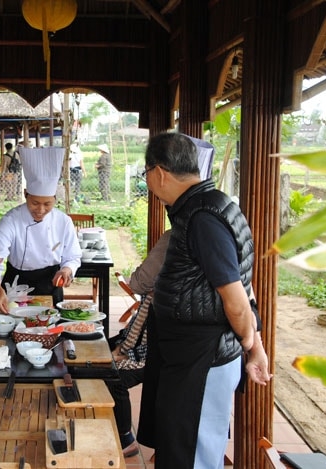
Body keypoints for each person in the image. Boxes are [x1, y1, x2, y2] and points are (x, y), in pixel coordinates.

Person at [136, 132, 270, 468]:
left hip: (203, 357)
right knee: (178, 446)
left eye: (146, 173)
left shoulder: (203, 218)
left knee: (193, 454)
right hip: (189, 355)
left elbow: (237, 299)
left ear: (160, 173)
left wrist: (253, 346)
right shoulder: (199, 207)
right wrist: (255, 346)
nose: (148, 180)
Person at [0, 146, 82, 311]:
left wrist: (67, 270)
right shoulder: (11, 220)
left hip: (50, 284)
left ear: (55, 198)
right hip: (14, 286)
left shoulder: (63, 221)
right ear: (26, 194)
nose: (40, 210)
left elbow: (73, 256)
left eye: (47, 204)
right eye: (34, 203)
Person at [107, 229, 170, 458]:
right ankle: (108, 424)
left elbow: (137, 282)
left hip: (157, 353)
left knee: (114, 377)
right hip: (147, 343)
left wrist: (126, 354)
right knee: (98, 349)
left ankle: (126, 439)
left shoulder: (174, 238)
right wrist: (120, 347)